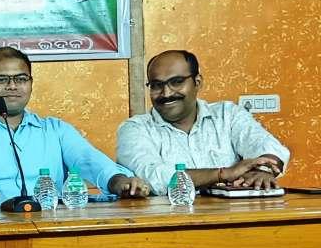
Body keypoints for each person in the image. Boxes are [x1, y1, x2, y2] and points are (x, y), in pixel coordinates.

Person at [0, 47, 151, 206]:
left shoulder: (56, 130)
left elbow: (90, 161)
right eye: (1, 79)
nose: (12, 86)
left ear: (31, 84)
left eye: (21, 79)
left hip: (50, 226)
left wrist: (119, 182)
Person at [117, 50, 289, 194]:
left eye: (176, 82)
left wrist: (262, 171)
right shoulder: (135, 129)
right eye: (156, 85)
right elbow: (153, 178)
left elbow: (267, 147)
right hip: (170, 221)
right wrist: (222, 174)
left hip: (234, 218)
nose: (166, 93)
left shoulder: (227, 115)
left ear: (197, 82)